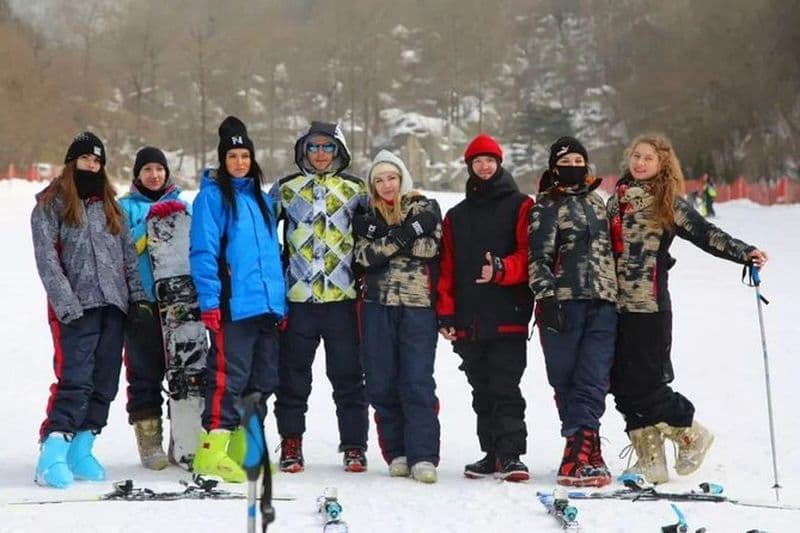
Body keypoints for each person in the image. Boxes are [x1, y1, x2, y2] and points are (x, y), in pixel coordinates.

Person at [607, 133, 768, 484]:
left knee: (647, 383)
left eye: (648, 158)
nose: (640, 163)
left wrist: (744, 251)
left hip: (649, 307)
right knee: (619, 383)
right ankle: (651, 461)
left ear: (662, 163)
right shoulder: (615, 200)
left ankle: (691, 433)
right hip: (615, 307)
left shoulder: (669, 202)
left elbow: (706, 233)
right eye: (636, 156)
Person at [31, 131, 148, 488]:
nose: (91, 166)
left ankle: (83, 445)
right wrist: (67, 304)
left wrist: (138, 298)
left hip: (114, 304)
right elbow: (47, 260)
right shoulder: (51, 203)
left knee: (105, 381)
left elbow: (128, 256)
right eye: (85, 160)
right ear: (72, 162)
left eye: (97, 162)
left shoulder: (110, 205)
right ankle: (52, 451)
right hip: (77, 307)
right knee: (76, 378)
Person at [189, 116, 286, 483]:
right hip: (234, 304)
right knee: (229, 375)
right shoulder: (211, 198)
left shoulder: (262, 200)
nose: (240, 162)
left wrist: (280, 304)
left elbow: (271, 256)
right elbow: (203, 251)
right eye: (233, 156)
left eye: (245, 155)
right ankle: (211, 449)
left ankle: (245, 447)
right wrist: (210, 301)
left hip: (265, 305)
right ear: (222, 160)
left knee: (263, 377)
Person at [270, 121, 369, 473]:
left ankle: (354, 445)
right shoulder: (285, 188)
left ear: (339, 150)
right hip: (298, 300)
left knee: (348, 376)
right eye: (314, 147)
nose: (321, 154)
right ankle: (292, 441)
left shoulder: (356, 189)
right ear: (303, 151)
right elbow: (263, 234)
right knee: (293, 377)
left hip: (342, 299)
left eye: (328, 147)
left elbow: (378, 227)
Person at [436, 133, 534, 482]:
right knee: (481, 389)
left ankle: (511, 455)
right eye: (477, 161)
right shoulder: (456, 215)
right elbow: (446, 268)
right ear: (469, 167)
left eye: (489, 160)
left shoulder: (521, 205)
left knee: (505, 386)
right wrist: (445, 314)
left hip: (508, 313)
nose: (484, 166)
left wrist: (503, 270)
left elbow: (529, 256)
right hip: (469, 318)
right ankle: (491, 453)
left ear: (499, 163)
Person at [528, 137, 618, 487]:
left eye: (580, 159)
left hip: (604, 301)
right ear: (554, 167)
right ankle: (582, 449)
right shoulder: (546, 206)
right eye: (567, 160)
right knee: (566, 379)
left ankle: (581, 451)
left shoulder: (599, 203)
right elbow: (539, 257)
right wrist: (547, 297)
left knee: (593, 378)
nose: (574, 165)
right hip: (564, 301)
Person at [353, 150, 442, 483]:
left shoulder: (425, 207)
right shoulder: (365, 213)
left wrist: (387, 237)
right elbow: (364, 255)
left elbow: (430, 248)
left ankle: (423, 454)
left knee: (416, 380)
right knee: (380, 380)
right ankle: (397, 452)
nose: (387, 185)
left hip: (418, 306)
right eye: (379, 180)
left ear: (402, 178)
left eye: (391, 178)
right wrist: (406, 235)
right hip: (377, 305)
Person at [119, 146, 190, 470]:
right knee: (144, 372)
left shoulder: (182, 205)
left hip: (178, 303)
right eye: (147, 169)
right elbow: (121, 251)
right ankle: (150, 442)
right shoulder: (124, 208)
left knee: (185, 371)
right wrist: (148, 227)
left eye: (159, 169)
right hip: (142, 303)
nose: (154, 175)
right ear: (138, 174)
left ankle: (185, 437)